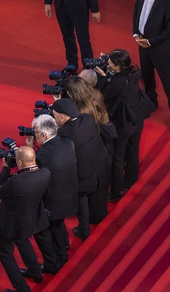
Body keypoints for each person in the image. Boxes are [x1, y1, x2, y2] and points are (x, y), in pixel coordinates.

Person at [94, 48, 155, 201]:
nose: (108, 65)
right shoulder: (134, 71)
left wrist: (103, 77)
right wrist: (109, 62)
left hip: (123, 124)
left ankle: (116, 191)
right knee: (133, 150)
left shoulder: (119, 81)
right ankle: (130, 181)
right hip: (137, 119)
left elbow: (102, 96)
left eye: (110, 63)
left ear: (119, 67)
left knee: (118, 157)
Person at [0, 146, 52, 292]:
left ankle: (21, 288)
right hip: (29, 218)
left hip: (10, 224)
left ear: (19, 162)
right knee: (23, 240)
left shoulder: (16, 181)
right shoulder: (45, 173)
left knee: (5, 253)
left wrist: (5, 168)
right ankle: (35, 272)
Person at [131, 0, 170, 132]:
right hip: (142, 42)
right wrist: (136, 33)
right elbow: (137, 11)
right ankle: (151, 102)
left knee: (167, 79)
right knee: (146, 74)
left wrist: (151, 42)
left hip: (159, 47)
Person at [27, 113, 77, 273]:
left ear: (43, 135)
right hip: (70, 196)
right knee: (58, 226)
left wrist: (29, 150)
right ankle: (62, 251)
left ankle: (53, 263)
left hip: (52, 204)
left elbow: (31, 175)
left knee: (42, 230)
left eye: (36, 133)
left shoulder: (41, 155)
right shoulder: (68, 143)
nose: (35, 137)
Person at [64, 76, 115, 226]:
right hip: (104, 148)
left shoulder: (81, 111)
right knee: (100, 189)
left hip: (93, 149)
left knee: (93, 187)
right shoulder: (96, 95)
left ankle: (95, 218)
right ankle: (98, 215)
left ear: (72, 93)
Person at [50, 98, 104, 241]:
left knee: (80, 202)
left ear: (63, 117)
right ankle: (85, 227)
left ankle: (83, 230)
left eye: (55, 116)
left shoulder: (65, 133)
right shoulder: (87, 119)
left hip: (79, 176)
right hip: (95, 166)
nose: (54, 119)